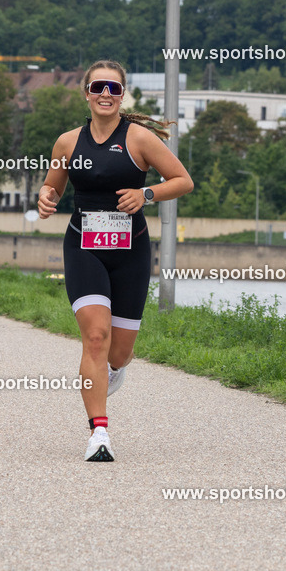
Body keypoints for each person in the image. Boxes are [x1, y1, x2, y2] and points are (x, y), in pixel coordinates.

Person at [38, 60, 193, 462]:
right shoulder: (67, 143)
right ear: (86, 93)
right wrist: (46, 198)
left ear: (123, 95)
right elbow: (52, 187)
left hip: (131, 252)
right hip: (83, 247)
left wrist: (146, 196)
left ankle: (110, 374)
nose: (105, 94)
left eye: (114, 88)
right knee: (95, 337)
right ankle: (99, 435)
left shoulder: (139, 138)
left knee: (118, 353)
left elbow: (183, 180)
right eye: (98, 87)